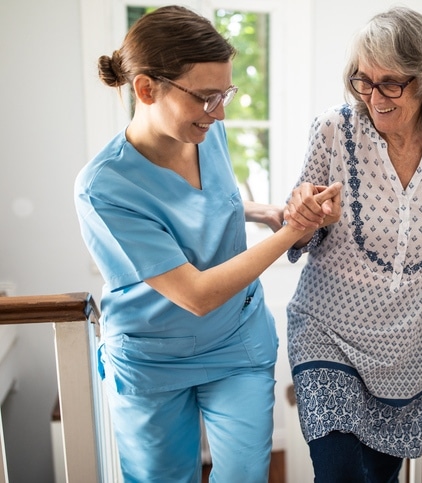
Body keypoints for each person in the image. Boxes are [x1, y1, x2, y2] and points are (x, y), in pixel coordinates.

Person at [73, 6, 341, 482]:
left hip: (236, 338)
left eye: (225, 94)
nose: (220, 112)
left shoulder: (203, 132)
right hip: (152, 356)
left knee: (244, 474)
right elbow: (195, 293)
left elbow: (208, 206)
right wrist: (293, 232)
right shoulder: (103, 186)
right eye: (205, 97)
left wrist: (267, 213)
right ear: (146, 88)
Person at [282, 7, 422, 482]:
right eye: (362, 81)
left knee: (380, 476)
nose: (373, 96)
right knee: (339, 474)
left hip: (410, 347)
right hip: (327, 330)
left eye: (390, 83)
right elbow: (302, 228)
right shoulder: (334, 130)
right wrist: (303, 218)